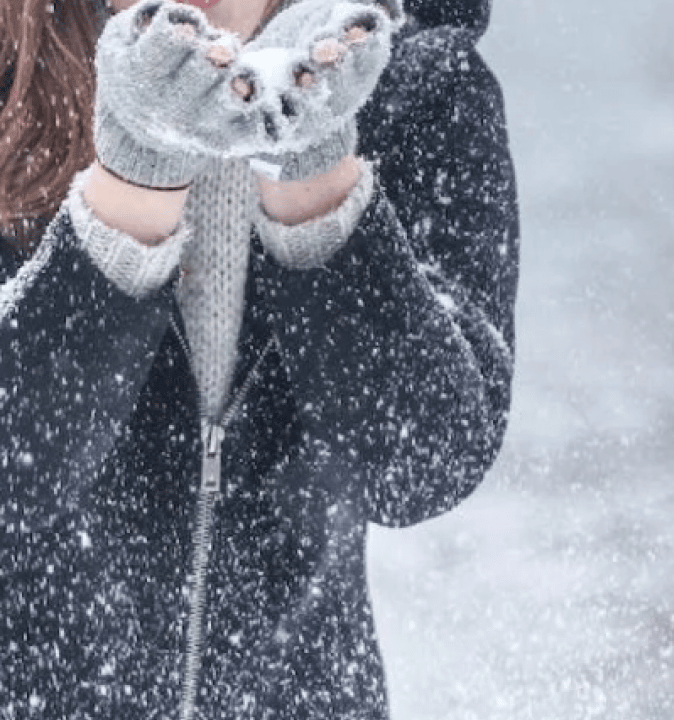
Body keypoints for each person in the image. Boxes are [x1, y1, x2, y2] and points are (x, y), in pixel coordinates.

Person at [0, 0, 518, 717]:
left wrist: (313, 176)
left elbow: (422, 466)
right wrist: (136, 180)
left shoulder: (421, 84)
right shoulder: (10, 73)